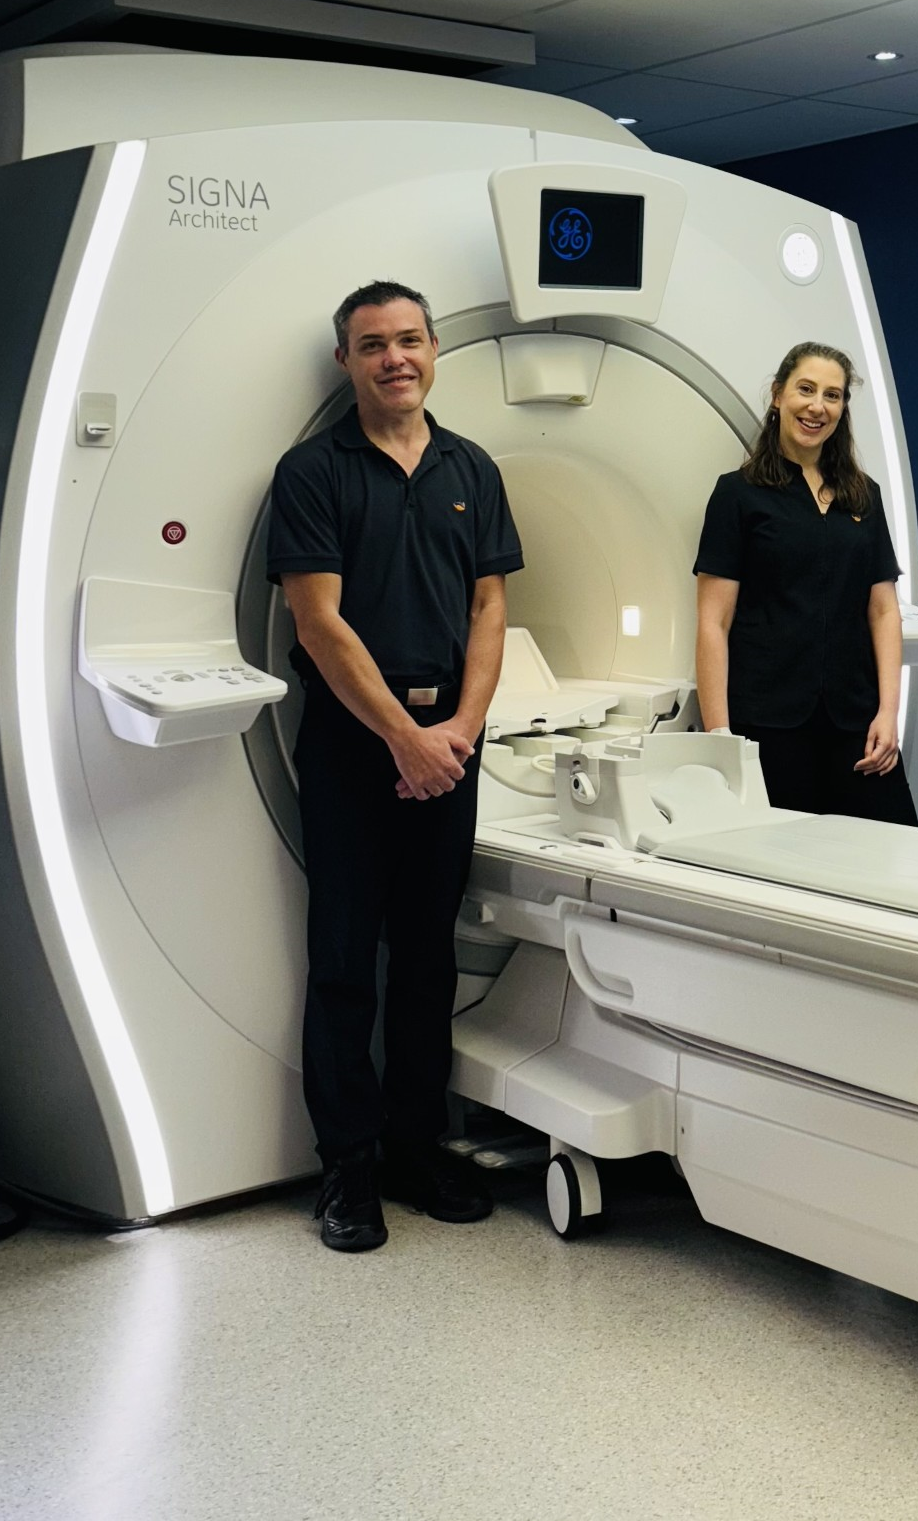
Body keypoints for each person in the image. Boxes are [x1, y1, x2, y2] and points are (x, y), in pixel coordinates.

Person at [268, 279, 523, 1252]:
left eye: (409, 340)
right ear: (347, 361)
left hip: (450, 743)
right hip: (351, 746)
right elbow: (317, 621)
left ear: (433, 349)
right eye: (372, 345)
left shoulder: (471, 467)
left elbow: (489, 607)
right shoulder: (313, 472)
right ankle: (347, 1168)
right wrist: (402, 740)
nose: (394, 358)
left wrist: (459, 725)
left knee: (425, 960)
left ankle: (417, 1146)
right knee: (342, 963)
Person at [694, 342, 917, 824]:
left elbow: (883, 610)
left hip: (855, 719)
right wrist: (719, 736)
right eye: (806, 390)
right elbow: (714, 621)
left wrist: (887, 714)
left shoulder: (864, 494)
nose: (818, 406)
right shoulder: (738, 495)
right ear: (778, 396)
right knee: (784, 867)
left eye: (833, 395)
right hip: (767, 721)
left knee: (890, 850)